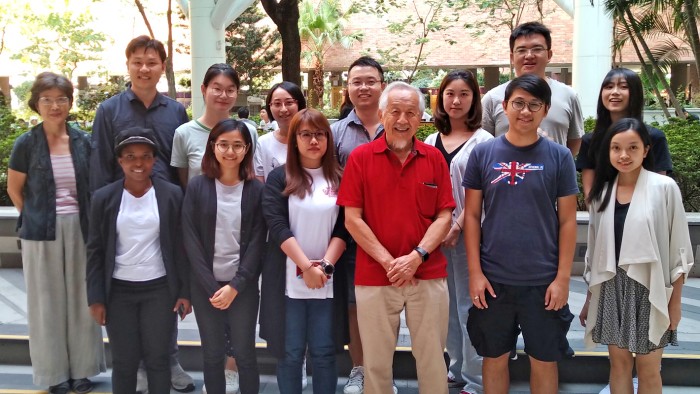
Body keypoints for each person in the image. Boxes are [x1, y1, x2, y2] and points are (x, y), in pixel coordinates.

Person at [89, 35, 193, 392]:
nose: (144, 68)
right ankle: (135, 368)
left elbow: (178, 164)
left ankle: (169, 359)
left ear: (162, 67)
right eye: (138, 62)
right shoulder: (109, 110)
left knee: (165, 283)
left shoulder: (176, 111)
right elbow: (101, 165)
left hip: (164, 209)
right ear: (128, 65)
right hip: (121, 209)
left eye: (152, 62)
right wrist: (100, 215)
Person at [337, 81, 454, 394]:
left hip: (427, 273)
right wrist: (392, 263)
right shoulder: (361, 158)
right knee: (375, 362)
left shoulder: (434, 158)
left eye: (411, 113)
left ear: (420, 118)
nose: (403, 120)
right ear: (381, 114)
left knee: (432, 358)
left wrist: (416, 257)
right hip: (376, 275)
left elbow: (445, 216)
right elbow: (352, 219)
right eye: (395, 112)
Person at [463, 74, 578, 394]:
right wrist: (475, 273)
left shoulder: (560, 156)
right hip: (493, 279)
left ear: (545, 110)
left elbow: (568, 221)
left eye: (534, 105)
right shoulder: (484, 154)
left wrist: (563, 278)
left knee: (544, 359)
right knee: (494, 356)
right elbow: (471, 216)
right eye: (518, 104)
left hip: (543, 280)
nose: (525, 111)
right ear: (504, 107)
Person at [7, 72, 106, 394]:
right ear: (36, 103)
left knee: (81, 300)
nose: (54, 105)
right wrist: (35, 216)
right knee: (46, 304)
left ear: (69, 102)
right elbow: (14, 190)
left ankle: (82, 371)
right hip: (41, 232)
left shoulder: (82, 141)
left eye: (61, 99)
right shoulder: (26, 143)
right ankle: (54, 375)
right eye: (47, 99)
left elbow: (91, 188)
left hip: (80, 228)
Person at [579, 118, 694, 393]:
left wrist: (675, 304)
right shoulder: (603, 192)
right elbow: (596, 252)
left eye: (632, 147)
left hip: (650, 288)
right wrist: (589, 300)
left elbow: (679, 250)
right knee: (618, 365)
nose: (623, 155)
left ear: (646, 149)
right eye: (616, 148)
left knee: (648, 367)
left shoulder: (664, 188)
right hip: (610, 286)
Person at [260, 108, 349, 394]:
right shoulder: (279, 178)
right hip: (287, 283)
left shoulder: (339, 177)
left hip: (328, 279)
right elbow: (277, 226)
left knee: (323, 352)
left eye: (320, 134)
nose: (314, 140)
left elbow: (345, 228)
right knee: (290, 353)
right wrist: (306, 267)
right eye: (306, 134)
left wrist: (323, 267)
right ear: (294, 139)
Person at [182, 119, 266, 394]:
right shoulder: (197, 187)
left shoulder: (256, 190)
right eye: (224, 145)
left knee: (245, 354)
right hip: (206, 287)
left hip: (242, 288)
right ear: (213, 147)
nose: (230, 151)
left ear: (247, 149)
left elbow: (256, 244)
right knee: (212, 354)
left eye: (237, 145)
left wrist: (235, 286)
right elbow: (190, 239)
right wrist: (211, 287)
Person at [424, 70, 493, 394]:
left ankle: (476, 379)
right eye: (450, 93)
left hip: (471, 237)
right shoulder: (428, 141)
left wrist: (457, 226)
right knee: (445, 306)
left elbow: (484, 192)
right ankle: (455, 367)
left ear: (474, 99)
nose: (456, 100)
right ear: (441, 98)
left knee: (470, 305)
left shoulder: (484, 142)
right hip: (435, 237)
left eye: (464, 94)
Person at [330, 55, 387, 394]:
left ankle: (383, 373)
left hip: (393, 235)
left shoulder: (397, 126)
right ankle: (360, 370)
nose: (363, 87)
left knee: (390, 308)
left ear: (382, 84)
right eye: (356, 82)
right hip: (350, 235)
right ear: (347, 88)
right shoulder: (335, 133)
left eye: (370, 81)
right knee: (355, 306)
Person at [481, 21, 583, 156]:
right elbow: (484, 143)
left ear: (549, 55)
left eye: (537, 49)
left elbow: (574, 142)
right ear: (512, 57)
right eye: (521, 50)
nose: (529, 55)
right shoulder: (492, 98)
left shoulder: (568, 95)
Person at [577, 68, 673, 200]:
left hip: (645, 214)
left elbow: (659, 189)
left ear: (635, 93)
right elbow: (590, 193)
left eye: (623, 87)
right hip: (603, 215)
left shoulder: (654, 137)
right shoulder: (590, 140)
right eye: (609, 87)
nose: (614, 92)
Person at [172, 64, 256, 188]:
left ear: (237, 92)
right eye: (217, 89)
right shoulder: (184, 133)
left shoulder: (249, 131)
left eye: (230, 90)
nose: (223, 95)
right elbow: (184, 182)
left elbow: (251, 172)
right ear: (204, 89)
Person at [254, 82, 307, 182]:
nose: (283, 109)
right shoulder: (263, 143)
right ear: (269, 107)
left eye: (289, 103)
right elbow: (260, 183)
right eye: (277, 104)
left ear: (299, 104)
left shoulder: (312, 139)